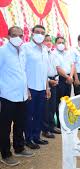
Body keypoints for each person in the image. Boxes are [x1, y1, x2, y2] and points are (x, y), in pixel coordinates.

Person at [0, 26, 34, 166]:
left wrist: (27, 90)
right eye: (14, 35)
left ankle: (19, 147)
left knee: (20, 123)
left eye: (21, 35)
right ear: (8, 36)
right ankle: (6, 154)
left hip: (22, 95)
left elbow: (23, 73)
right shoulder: (2, 51)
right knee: (4, 127)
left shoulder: (22, 51)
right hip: (7, 95)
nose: (18, 38)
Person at [23, 25, 51, 149]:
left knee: (39, 114)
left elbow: (44, 71)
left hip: (42, 88)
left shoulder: (45, 49)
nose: (40, 34)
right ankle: (28, 139)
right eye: (37, 32)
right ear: (32, 33)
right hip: (30, 88)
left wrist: (47, 87)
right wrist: (26, 89)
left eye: (42, 33)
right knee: (29, 115)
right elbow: (22, 69)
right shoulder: (25, 48)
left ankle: (36, 137)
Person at [42, 35, 60, 138]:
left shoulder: (52, 54)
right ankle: (45, 129)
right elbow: (41, 71)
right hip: (45, 82)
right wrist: (49, 81)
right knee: (46, 107)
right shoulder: (42, 54)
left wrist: (56, 79)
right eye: (46, 41)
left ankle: (52, 126)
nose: (48, 43)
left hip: (54, 80)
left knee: (52, 106)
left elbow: (56, 68)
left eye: (50, 41)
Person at [55, 36, 75, 128]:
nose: (61, 44)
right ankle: (59, 123)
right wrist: (67, 77)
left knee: (67, 100)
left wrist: (70, 76)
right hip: (60, 79)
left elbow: (72, 65)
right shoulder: (54, 54)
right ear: (55, 44)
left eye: (63, 42)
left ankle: (66, 121)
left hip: (69, 78)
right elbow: (58, 68)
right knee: (59, 102)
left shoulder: (68, 53)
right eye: (59, 43)